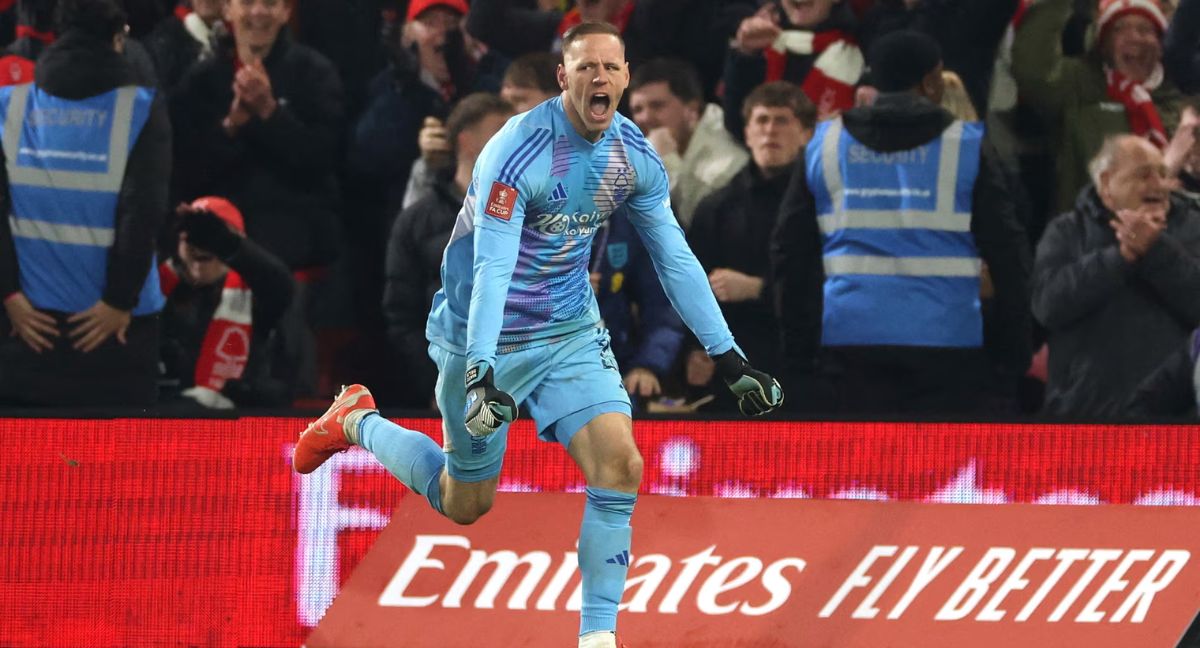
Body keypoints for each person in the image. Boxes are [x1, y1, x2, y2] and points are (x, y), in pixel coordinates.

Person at [292, 22, 783, 648]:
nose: (599, 78)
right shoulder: (516, 152)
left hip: (570, 330)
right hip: (481, 335)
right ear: (564, 78)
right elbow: (494, 268)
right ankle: (358, 420)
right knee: (465, 503)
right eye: (585, 68)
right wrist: (478, 370)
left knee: (621, 464)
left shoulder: (632, 154)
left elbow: (676, 259)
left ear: (626, 77)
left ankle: (597, 638)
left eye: (610, 67)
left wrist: (727, 354)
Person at [771, 30, 1030, 414]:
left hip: (849, 348)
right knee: (936, 472)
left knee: (863, 472)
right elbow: (1009, 256)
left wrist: (799, 354)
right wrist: (1012, 354)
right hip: (948, 350)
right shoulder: (966, 146)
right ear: (930, 82)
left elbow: (789, 255)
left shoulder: (825, 146)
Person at [0, 0, 171, 407]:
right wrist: (118, 301)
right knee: (121, 466)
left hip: (29, 324)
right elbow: (142, 213)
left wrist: (9, 294)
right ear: (117, 40)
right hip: (116, 329)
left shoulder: (9, 106)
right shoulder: (141, 109)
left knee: (28, 467)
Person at [1032, 134, 1200, 417]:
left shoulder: (1194, 229)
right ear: (1107, 184)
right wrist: (1121, 258)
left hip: (1173, 425)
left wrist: (1156, 250)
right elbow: (1047, 306)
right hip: (1084, 417)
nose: (1158, 184)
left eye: (1162, 173)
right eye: (1143, 175)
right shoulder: (1067, 231)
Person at [686, 80, 814, 410]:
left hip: (804, 362)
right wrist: (694, 349)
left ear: (807, 134)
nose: (770, 130)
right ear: (746, 133)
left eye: (782, 120)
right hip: (736, 364)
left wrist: (760, 289)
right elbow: (686, 284)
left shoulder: (822, 205)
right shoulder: (716, 206)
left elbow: (828, 286)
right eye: (761, 120)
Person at [384, 93, 514, 407]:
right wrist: (440, 381)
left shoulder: (537, 216)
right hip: (444, 392)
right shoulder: (417, 221)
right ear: (466, 141)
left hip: (525, 393)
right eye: (502, 130)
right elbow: (402, 314)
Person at [1013, 0, 1191, 214]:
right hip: (1089, 235)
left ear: (1162, 44)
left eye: (1145, 29)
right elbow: (1034, 70)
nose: (1134, 37)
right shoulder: (1079, 83)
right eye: (1119, 29)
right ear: (1104, 45)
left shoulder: (1183, 98)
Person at [158, 196, 294, 409]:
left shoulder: (256, 293)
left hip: (230, 421)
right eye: (191, 236)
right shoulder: (156, 284)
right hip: (162, 417)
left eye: (208, 237)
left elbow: (279, 282)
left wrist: (225, 243)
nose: (199, 244)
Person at [628, 58, 748, 229]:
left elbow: (692, 224)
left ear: (691, 109)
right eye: (637, 110)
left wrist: (666, 162)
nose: (645, 118)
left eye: (657, 106)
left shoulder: (725, 155)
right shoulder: (637, 149)